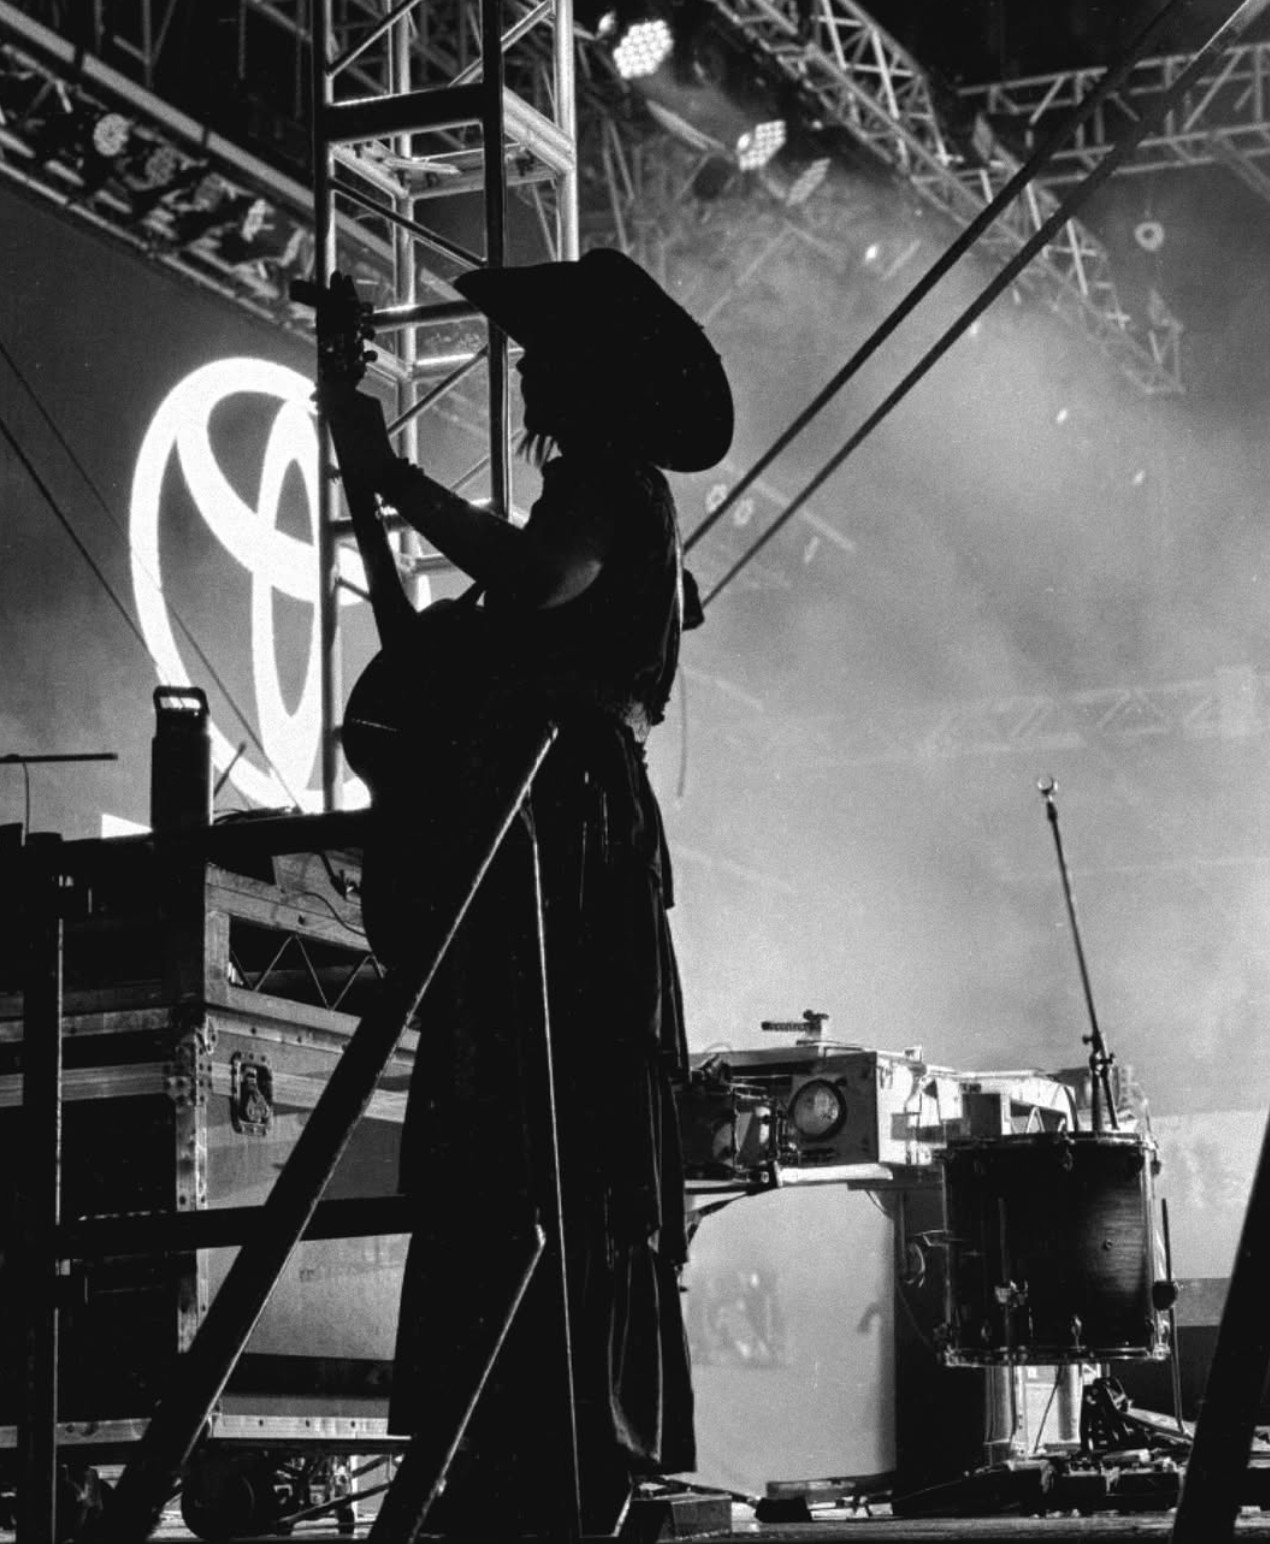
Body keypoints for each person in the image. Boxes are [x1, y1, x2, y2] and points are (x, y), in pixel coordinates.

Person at [320, 247, 733, 1538]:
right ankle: (536, 1430)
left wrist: (388, 477)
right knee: (544, 1122)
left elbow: (540, 580)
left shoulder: (603, 484)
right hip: (564, 810)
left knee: (539, 1109)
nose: (526, 378)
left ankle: (540, 1436)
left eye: (540, 362)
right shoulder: (631, 501)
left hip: (555, 822)